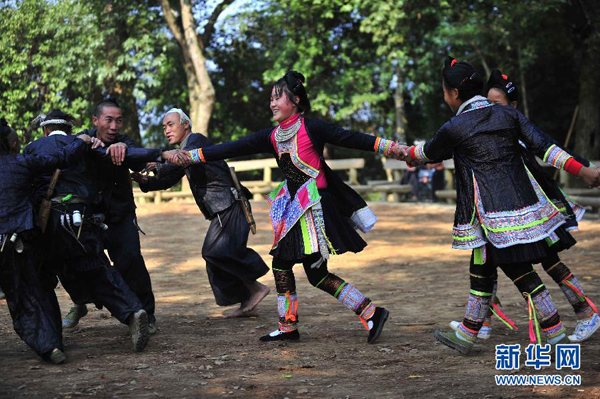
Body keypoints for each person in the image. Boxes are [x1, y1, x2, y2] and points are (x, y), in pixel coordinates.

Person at [170, 71, 393, 343]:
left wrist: (394, 148)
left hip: (316, 209)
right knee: (311, 272)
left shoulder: (313, 128)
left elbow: (353, 138)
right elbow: (230, 148)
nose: (272, 104)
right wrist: (190, 156)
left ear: (296, 100)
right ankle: (363, 313)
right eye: (270, 99)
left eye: (278, 98)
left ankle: (310, 322)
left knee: (291, 266)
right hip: (296, 208)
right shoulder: (272, 136)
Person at [397, 57, 600, 355]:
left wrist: (404, 153)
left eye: (444, 91)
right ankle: (470, 330)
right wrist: (583, 171)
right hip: (528, 210)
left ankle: (554, 332)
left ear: (453, 93)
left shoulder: (455, 126)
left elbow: (425, 152)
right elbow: (545, 146)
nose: (444, 96)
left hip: (490, 215)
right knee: (481, 267)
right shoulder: (507, 115)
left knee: (519, 271)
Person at [448, 70, 599, 343]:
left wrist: (584, 168)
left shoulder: (512, 125)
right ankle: (480, 323)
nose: (492, 111)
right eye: (489, 103)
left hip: (531, 207)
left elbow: (549, 147)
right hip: (497, 209)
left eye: (498, 104)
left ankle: (584, 312)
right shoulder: (486, 125)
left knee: (548, 261)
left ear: (513, 107)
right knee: (487, 261)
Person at [25, 110, 177, 352]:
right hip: (83, 220)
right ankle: (132, 312)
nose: (114, 126)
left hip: (49, 224)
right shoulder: (83, 143)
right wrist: (159, 153)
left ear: (45, 130)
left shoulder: (33, 149)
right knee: (98, 268)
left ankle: (50, 342)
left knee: (42, 278)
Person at [132, 108, 270, 318]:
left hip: (228, 204)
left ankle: (256, 288)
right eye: (164, 127)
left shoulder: (195, 141)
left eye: (171, 124)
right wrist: (145, 181)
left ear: (186, 125)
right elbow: (168, 179)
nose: (166, 130)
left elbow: (180, 160)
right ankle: (247, 298)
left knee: (215, 252)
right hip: (221, 208)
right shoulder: (181, 153)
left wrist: (158, 161)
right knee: (215, 258)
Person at [63, 99, 159, 334]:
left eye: (119, 120)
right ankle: (80, 302)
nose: (114, 126)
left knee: (131, 261)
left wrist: (124, 149)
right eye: (109, 120)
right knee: (75, 262)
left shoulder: (125, 143)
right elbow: (65, 156)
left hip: (121, 215)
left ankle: (147, 315)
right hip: (87, 217)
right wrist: (83, 143)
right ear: (96, 121)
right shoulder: (82, 139)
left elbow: (137, 157)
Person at [0, 117, 90, 363]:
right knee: (36, 292)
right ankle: (51, 345)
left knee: (24, 296)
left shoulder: (22, 161)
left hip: (8, 243)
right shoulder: (23, 162)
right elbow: (60, 159)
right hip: (21, 240)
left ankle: (50, 345)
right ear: (12, 144)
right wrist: (81, 140)